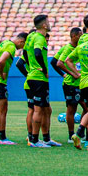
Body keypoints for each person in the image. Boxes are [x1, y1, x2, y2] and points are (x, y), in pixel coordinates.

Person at [24, 15, 60, 148]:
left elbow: (25, 53)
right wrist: (44, 69)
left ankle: (46, 138)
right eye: (48, 22)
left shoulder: (30, 37)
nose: (50, 24)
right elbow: (38, 53)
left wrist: (31, 66)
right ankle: (34, 140)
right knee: (38, 109)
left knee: (46, 109)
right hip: (39, 78)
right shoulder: (39, 37)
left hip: (33, 76)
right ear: (44, 25)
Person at [0, 32, 27, 145]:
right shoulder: (11, 46)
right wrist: (1, 72)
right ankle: (2, 138)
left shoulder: (5, 43)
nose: (22, 48)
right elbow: (1, 60)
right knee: (3, 109)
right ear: (21, 41)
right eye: (24, 45)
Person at [50, 27, 85, 143]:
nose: (82, 37)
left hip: (80, 83)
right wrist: (69, 74)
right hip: (71, 84)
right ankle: (71, 135)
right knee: (72, 109)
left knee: (87, 108)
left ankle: (80, 132)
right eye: (80, 35)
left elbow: (53, 62)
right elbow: (57, 63)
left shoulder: (78, 48)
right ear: (74, 36)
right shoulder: (68, 48)